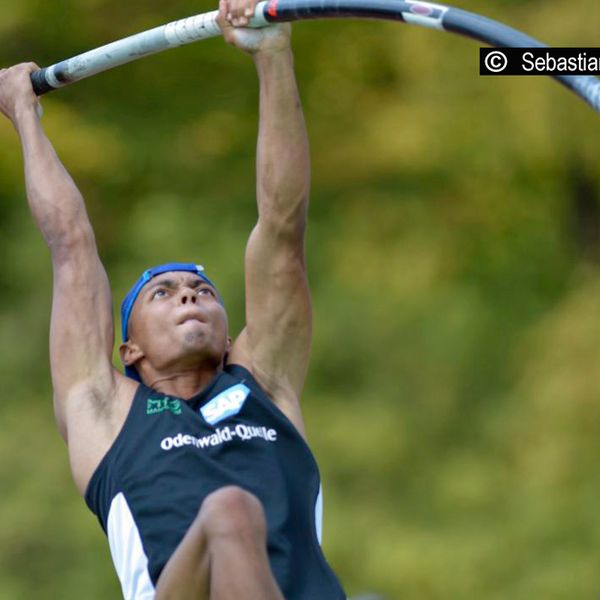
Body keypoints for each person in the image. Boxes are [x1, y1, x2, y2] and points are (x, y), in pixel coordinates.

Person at [0, 0, 346, 598]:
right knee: (229, 514)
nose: (190, 296)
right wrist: (24, 116)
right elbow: (71, 246)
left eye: (203, 292)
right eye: (165, 293)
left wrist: (274, 55)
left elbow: (283, 223)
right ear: (128, 348)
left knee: (232, 511)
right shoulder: (104, 411)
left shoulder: (264, 383)